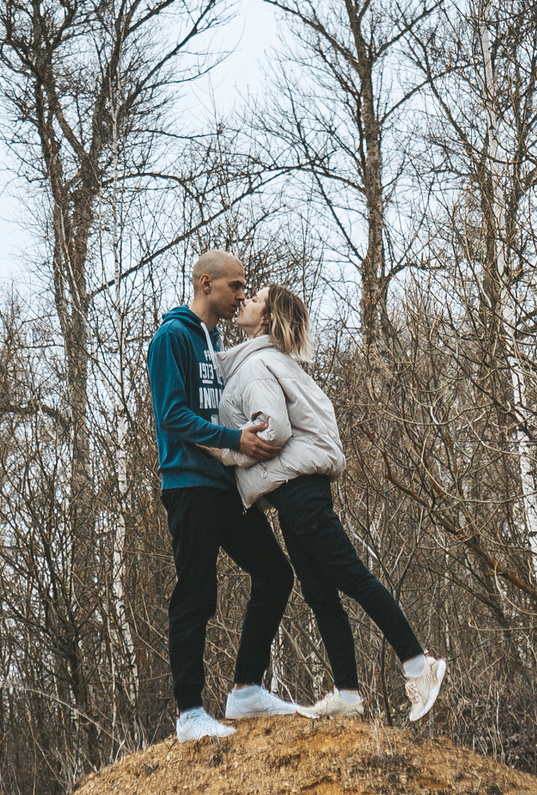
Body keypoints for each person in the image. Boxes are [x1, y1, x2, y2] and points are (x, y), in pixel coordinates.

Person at [215, 283, 447, 722]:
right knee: (321, 593)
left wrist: (221, 449)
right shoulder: (271, 361)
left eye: (256, 298)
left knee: (351, 577)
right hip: (296, 493)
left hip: (299, 492)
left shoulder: (258, 365)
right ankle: (347, 694)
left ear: (267, 318)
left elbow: (272, 430)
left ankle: (419, 665)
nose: (244, 300)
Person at [146, 250, 307, 744]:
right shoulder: (171, 337)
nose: (241, 295)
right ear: (205, 283)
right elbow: (172, 415)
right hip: (188, 484)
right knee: (196, 593)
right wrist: (233, 439)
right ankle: (190, 713)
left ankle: (245, 689)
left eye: (244, 288)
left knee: (276, 572)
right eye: (235, 286)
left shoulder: (215, 343)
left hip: (224, 486)